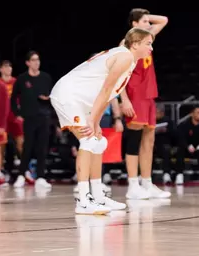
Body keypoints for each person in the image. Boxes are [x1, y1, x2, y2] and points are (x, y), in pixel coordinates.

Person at [50, 28, 153, 214]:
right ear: (135, 44)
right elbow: (106, 89)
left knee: (98, 141)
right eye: (148, 43)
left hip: (81, 99)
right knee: (88, 140)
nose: (151, 48)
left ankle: (98, 196)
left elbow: (108, 94)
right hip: (68, 95)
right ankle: (82, 200)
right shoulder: (125, 58)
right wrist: (92, 119)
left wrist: (95, 121)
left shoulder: (127, 60)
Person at [120, 9, 171, 200]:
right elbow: (118, 75)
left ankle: (147, 182)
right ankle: (133, 185)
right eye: (143, 21)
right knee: (134, 140)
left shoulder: (148, 38)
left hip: (149, 95)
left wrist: (145, 17)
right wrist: (124, 99)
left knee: (149, 140)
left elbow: (164, 19)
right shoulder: (125, 45)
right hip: (134, 95)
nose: (148, 24)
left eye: (148, 21)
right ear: (134, 24)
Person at [11, 51, 54, 189]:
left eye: (38, 60)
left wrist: (48, 99)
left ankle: (41, 177)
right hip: (28, 118)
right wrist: (17, 113)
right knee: (27, 148)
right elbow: (13, 98)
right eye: (34, 60)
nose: (37, 62)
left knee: (42, 148)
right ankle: (21, 175)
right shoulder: (22, 79)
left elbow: (52, 96)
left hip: (44, 117)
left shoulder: (46, 77)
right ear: (28, 62)